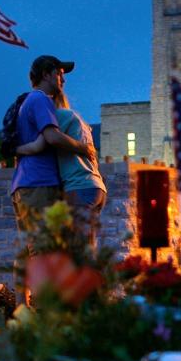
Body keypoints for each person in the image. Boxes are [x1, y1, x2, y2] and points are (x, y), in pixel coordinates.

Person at [11, 54, 94, 306]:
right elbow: (52, 137)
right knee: (43, 247)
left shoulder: (28, 102)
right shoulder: (39, 99)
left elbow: (34, 142)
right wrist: (84, 148)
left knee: (30, 246)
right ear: (46, 74)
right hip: (39, 183)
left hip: (26, 183)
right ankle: (45, 306)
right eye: (59, 73)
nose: (63, 79)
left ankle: (21, 308)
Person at [17, 87, 106, 249]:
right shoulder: (78, 120)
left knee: (76, 250)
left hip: (78, 187)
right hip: (96, 186)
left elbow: (39, 145)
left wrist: (14, 149)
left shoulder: (58, 118)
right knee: (88, 247)